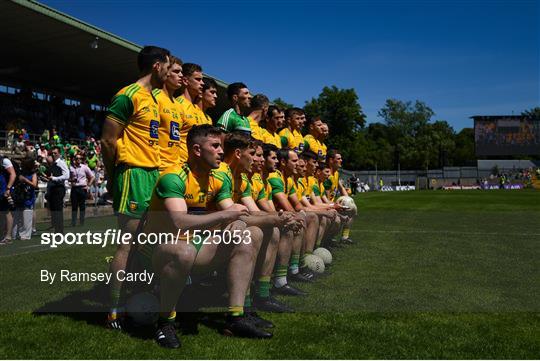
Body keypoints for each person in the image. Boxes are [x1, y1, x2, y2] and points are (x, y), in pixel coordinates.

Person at [139, 125, 270, 348]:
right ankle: (165, 323)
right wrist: (228, 215)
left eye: (221, 146)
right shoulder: (173, 177)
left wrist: (237, 223)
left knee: (250, 235)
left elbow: (237, 214)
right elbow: (180, 222)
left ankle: (236, 317)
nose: (221, 151)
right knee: (182, 250)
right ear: (197, 150)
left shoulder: (215, 179)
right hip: (157, 251)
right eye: (216, 146)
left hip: (193, 247)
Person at [100, 45, 171, 329]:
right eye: (167, 65)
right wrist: (110, 175)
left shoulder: (153, 98)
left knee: (150, 243)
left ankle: (140, 295)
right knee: (128, 244)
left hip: (153, 175)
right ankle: (113, 311)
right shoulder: (128, 95)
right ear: (157, 66)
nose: (169, 70)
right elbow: (108, 140)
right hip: (133, 174)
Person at [154, 56, 184, 172]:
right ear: (166, 73)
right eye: (176, 71)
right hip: (158, 167)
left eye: (181, 72)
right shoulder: (155, 97)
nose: (181, 75)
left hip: (176, 167)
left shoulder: (179, 105)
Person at [176, 63, 210, 165]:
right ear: (186, 81)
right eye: (198, 79)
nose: (202, 83)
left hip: (197, 167)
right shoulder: (178, 105)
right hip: (182, 165)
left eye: (202, 79)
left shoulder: (198, 110)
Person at [44, 146, 69, 233]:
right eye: (52, 153)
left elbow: (67, 175)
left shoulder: (61, 163)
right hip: (53, 188)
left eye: (55, 153)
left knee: (58, 210)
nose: (54, 155)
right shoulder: (53, 164)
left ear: (59, 154)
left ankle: (59, 231)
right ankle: (57, 230)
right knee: (54, 210)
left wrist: (54, 178)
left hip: (59, 188)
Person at [12, 157, 38, 240]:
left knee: (26, 216)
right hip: (19, 196)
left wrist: (25, 180)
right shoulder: (20, 173)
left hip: (28, 197)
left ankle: (26, 234)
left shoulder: (33, 174)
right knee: (17, 216)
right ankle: (15, 233)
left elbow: (34, 185)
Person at [69, 153, 95, 227]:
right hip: (74, 188)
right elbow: (67, 178)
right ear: (74, 159)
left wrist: (88, 185)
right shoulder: (71, 168)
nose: (78, 160)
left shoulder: (84, 167)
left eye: (80, 158)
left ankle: (81, 222)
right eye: (77, 158)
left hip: (82, 188)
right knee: (74, 206)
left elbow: (92, 176)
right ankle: (73, 222)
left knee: (82, 206)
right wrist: (71, 179)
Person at [0, 155, 17, 245]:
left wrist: (8, 188)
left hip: (4, 190)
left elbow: (13, 174)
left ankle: (8, 236)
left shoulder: (4, 161)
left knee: (6, 212)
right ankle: (3, 235)